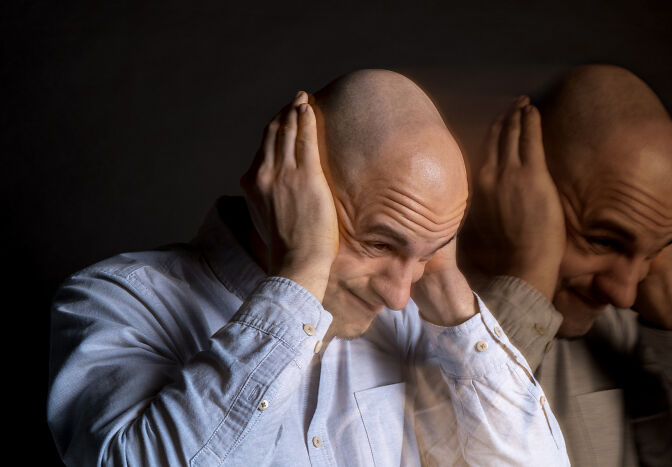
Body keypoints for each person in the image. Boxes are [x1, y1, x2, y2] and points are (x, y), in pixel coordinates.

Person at [47, 69, 569, 466]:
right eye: (379, 243)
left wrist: (454, 298)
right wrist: (302, 272)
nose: (398, 295)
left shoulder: (414, 326)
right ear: (296, 186)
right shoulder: (115, 300)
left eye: (428, 251)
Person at [460, 64, 672, 466]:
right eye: (604, 240)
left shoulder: (624, 329)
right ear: (522, 186)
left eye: (654, 252)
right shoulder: (394, 313)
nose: (624, 295)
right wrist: (530, 273)